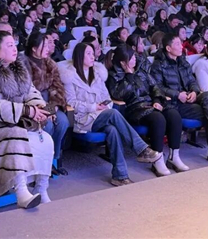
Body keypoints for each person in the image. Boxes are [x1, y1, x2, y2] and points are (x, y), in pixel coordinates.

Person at [0, 31, 54, 208]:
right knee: (15, 134)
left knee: (45, 139)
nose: (15, 49)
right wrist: (26, 111)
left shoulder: (18, 69)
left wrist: (39, 108)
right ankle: (21, 191)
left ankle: (41, 187)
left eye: (14, 44)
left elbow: (31, 92)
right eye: (9, 45)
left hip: (12, 120)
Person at [59, 43, 161, 185]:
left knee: (112, 130)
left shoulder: (97, 74)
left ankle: (119, 176)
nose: (93, 56)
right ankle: (141, 149)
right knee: (113, 114)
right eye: (88, 53)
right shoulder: (70, 77)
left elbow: (106, 97)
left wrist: (104, 106)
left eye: (92, 53)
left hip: (101, 115)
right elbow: (71, 103)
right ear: (80, 56)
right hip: (83, 119)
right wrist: (94, 107)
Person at [151, 34, 208, 164]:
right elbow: (157, 87)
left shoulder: (183, 61)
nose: (181, 46)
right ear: (168, 48)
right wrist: (177, 94)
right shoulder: (158, 65)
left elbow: (192, 81)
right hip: (173, 103)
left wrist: (194, 92)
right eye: (177, 44)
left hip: (189, 98)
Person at [106, 45, 187, 176]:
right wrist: (129, 76)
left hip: (151, 104)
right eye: (131, 58)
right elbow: (118, 94)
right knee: (158, 119)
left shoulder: (141, 70)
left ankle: (174, 156)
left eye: (134, 56)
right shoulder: (114, 75)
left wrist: (157, 100)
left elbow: (155, 87)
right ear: (122, 62)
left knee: (174, 115)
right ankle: (157, 159)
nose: (135, 59)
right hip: (134, 109)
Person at [20, 32, 71, 175]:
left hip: (50, 102)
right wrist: (43, 109)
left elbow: (58, 87)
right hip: (32, 105)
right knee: (47, 125)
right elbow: (26, 92)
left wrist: (51, 108)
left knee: (63, 122)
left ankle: (54, 158)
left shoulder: (50, 64)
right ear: (34, 48)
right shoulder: (23, 65)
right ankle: (41, 162)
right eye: (44, 45)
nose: (48, 48)